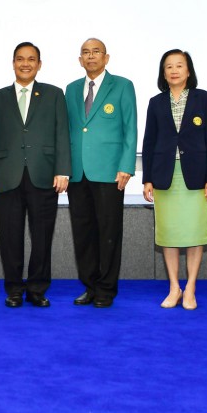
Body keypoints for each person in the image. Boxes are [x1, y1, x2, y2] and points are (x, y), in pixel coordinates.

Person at [0, 42, 70, 307]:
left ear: (39, 65)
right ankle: (14, 289)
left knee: (42, 237)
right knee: (10, 238)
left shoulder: (54, 94)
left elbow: (62, 133)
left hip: (44, 174)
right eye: (20, 59)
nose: (25, 64)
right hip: (6, 177)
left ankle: (37, 289)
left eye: (31, 59)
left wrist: (63, 170)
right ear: (13, 63)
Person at [142, 49, 207, 310]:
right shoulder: (156, 102)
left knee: (195, 232)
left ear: (188, 70)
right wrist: (147, 178)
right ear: (163, 73)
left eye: (179, 65)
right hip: (165, 176)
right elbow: (149, 141)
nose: (174, 70)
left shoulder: (204, 99)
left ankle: (191, 288)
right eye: (169, 67)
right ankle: (174, 287)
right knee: (169, 234)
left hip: (196, 176)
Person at [65, 38, 137, 308]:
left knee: (108, 232)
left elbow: (130, 128)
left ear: (106, 58)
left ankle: (106, 289)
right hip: (77, 172)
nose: (91, 56)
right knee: (83, 233)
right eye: (85, 52)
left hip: (109, 172)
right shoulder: (71, 89)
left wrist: (126, 165)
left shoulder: (122, 86)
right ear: (79, 60)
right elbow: (68, 130)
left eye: (96, 52)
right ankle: (90, 286)